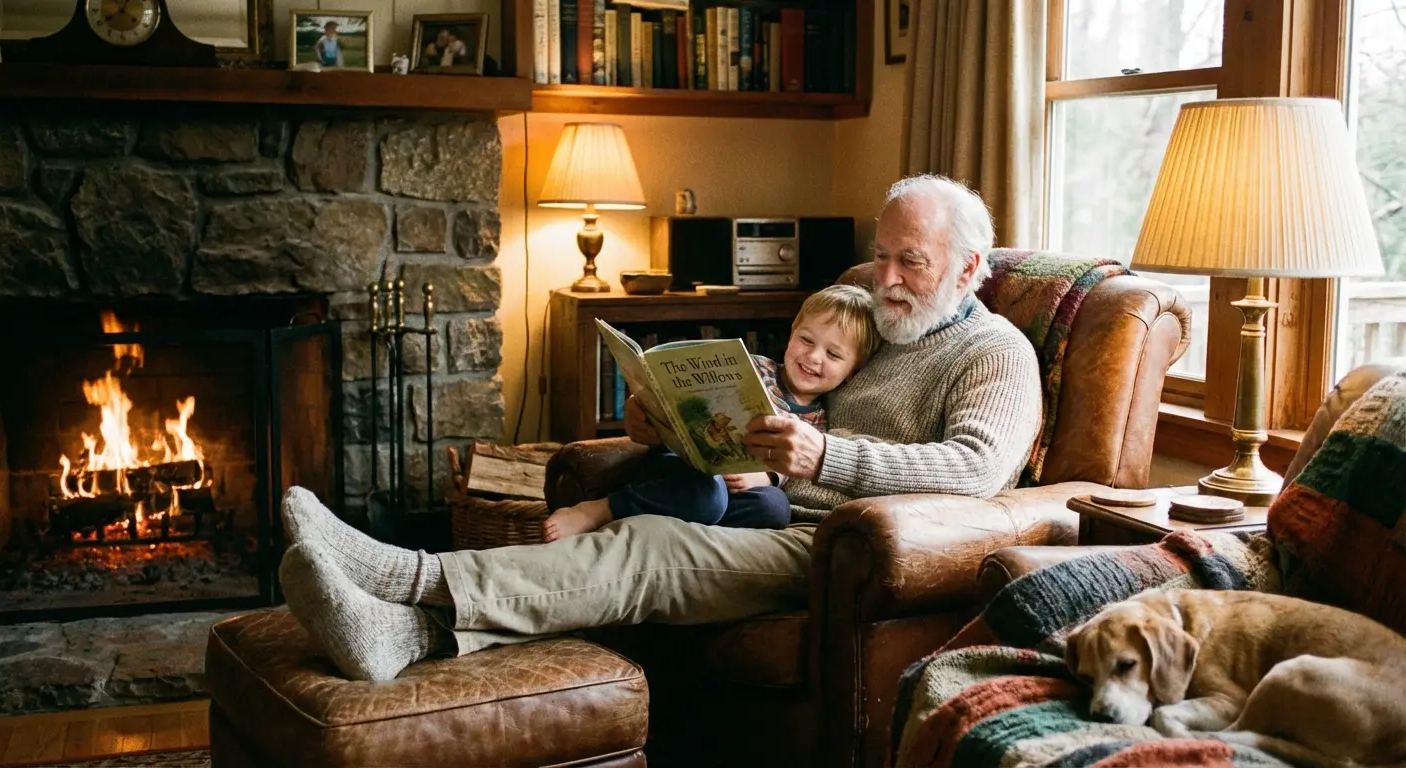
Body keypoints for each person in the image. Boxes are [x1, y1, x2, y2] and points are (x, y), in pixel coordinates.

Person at [277, 174, 1044, 682]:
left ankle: (401, 575)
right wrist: (663, 425)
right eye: (879, 256)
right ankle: (404, 635)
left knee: (649, 547)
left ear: (970, 267)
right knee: (664, 513)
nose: (883, 280)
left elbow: (976, 470)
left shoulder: (996, 354)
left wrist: (824, 456)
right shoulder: (867, 313)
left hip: (848, 545)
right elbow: (784, 405)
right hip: (769, 508)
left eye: (909, 262)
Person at [543, 284, 881, 540]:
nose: (814, 357)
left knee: (774, 506)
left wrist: (761, 477)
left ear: (852, 371)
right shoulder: (754, 368)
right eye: (807, 340)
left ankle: (684, 528)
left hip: (736, 490)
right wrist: (638, 408)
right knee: (707, 495)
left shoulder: (823, 420)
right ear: (792, 333)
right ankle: (602, 508)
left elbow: (792, 470)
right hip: (681, 468)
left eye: (833, 355)